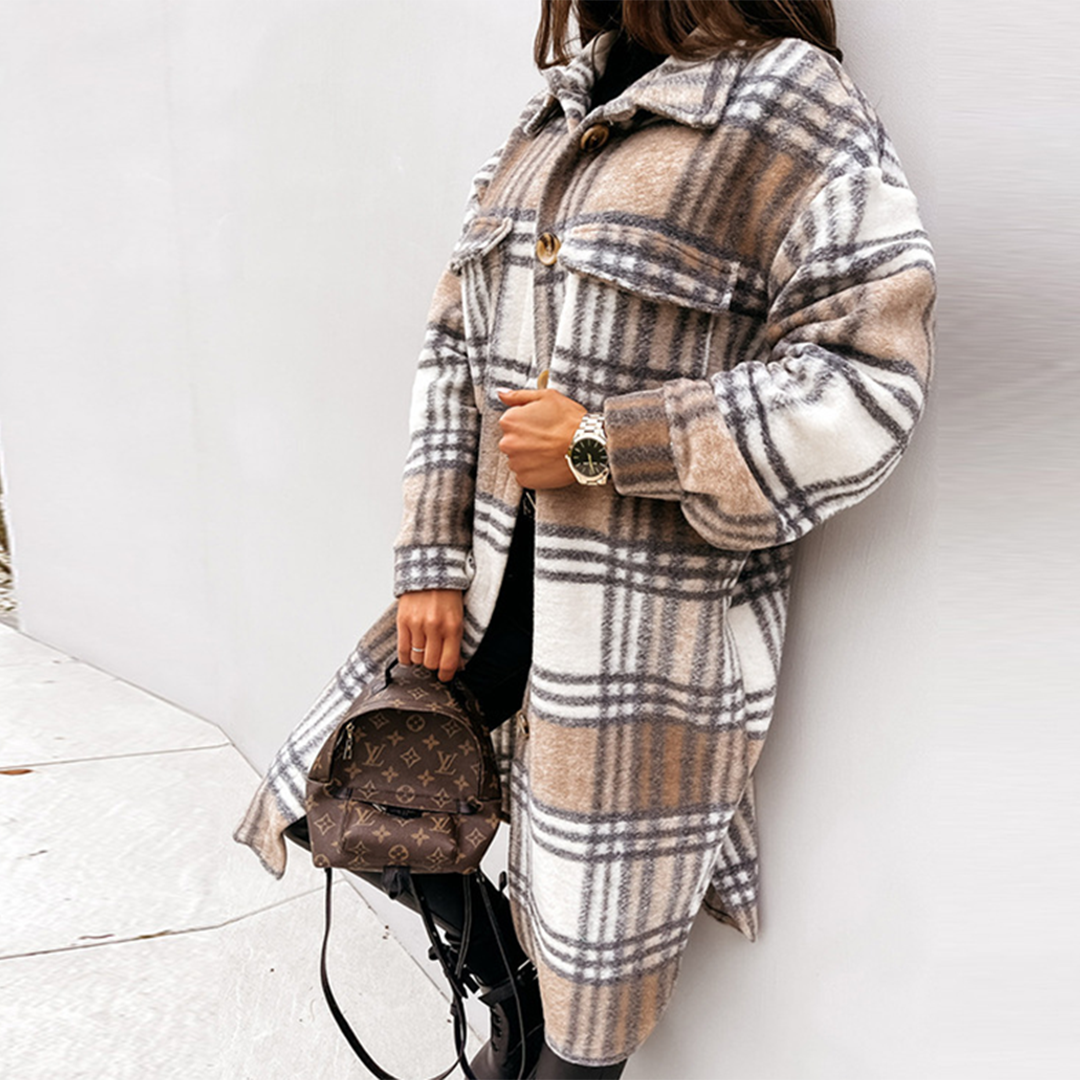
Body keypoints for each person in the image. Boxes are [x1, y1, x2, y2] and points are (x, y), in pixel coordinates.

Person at [235, 2, 935, 1077]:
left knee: (585, 1017)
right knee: (330, 795)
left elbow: (869, 384)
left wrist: (609, 444)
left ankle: (536, 1029)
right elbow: (452, 348)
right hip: (480, 607)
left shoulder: (788, 102)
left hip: (637, 649)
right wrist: (428, 560)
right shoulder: (553, 115)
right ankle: (506, 987)